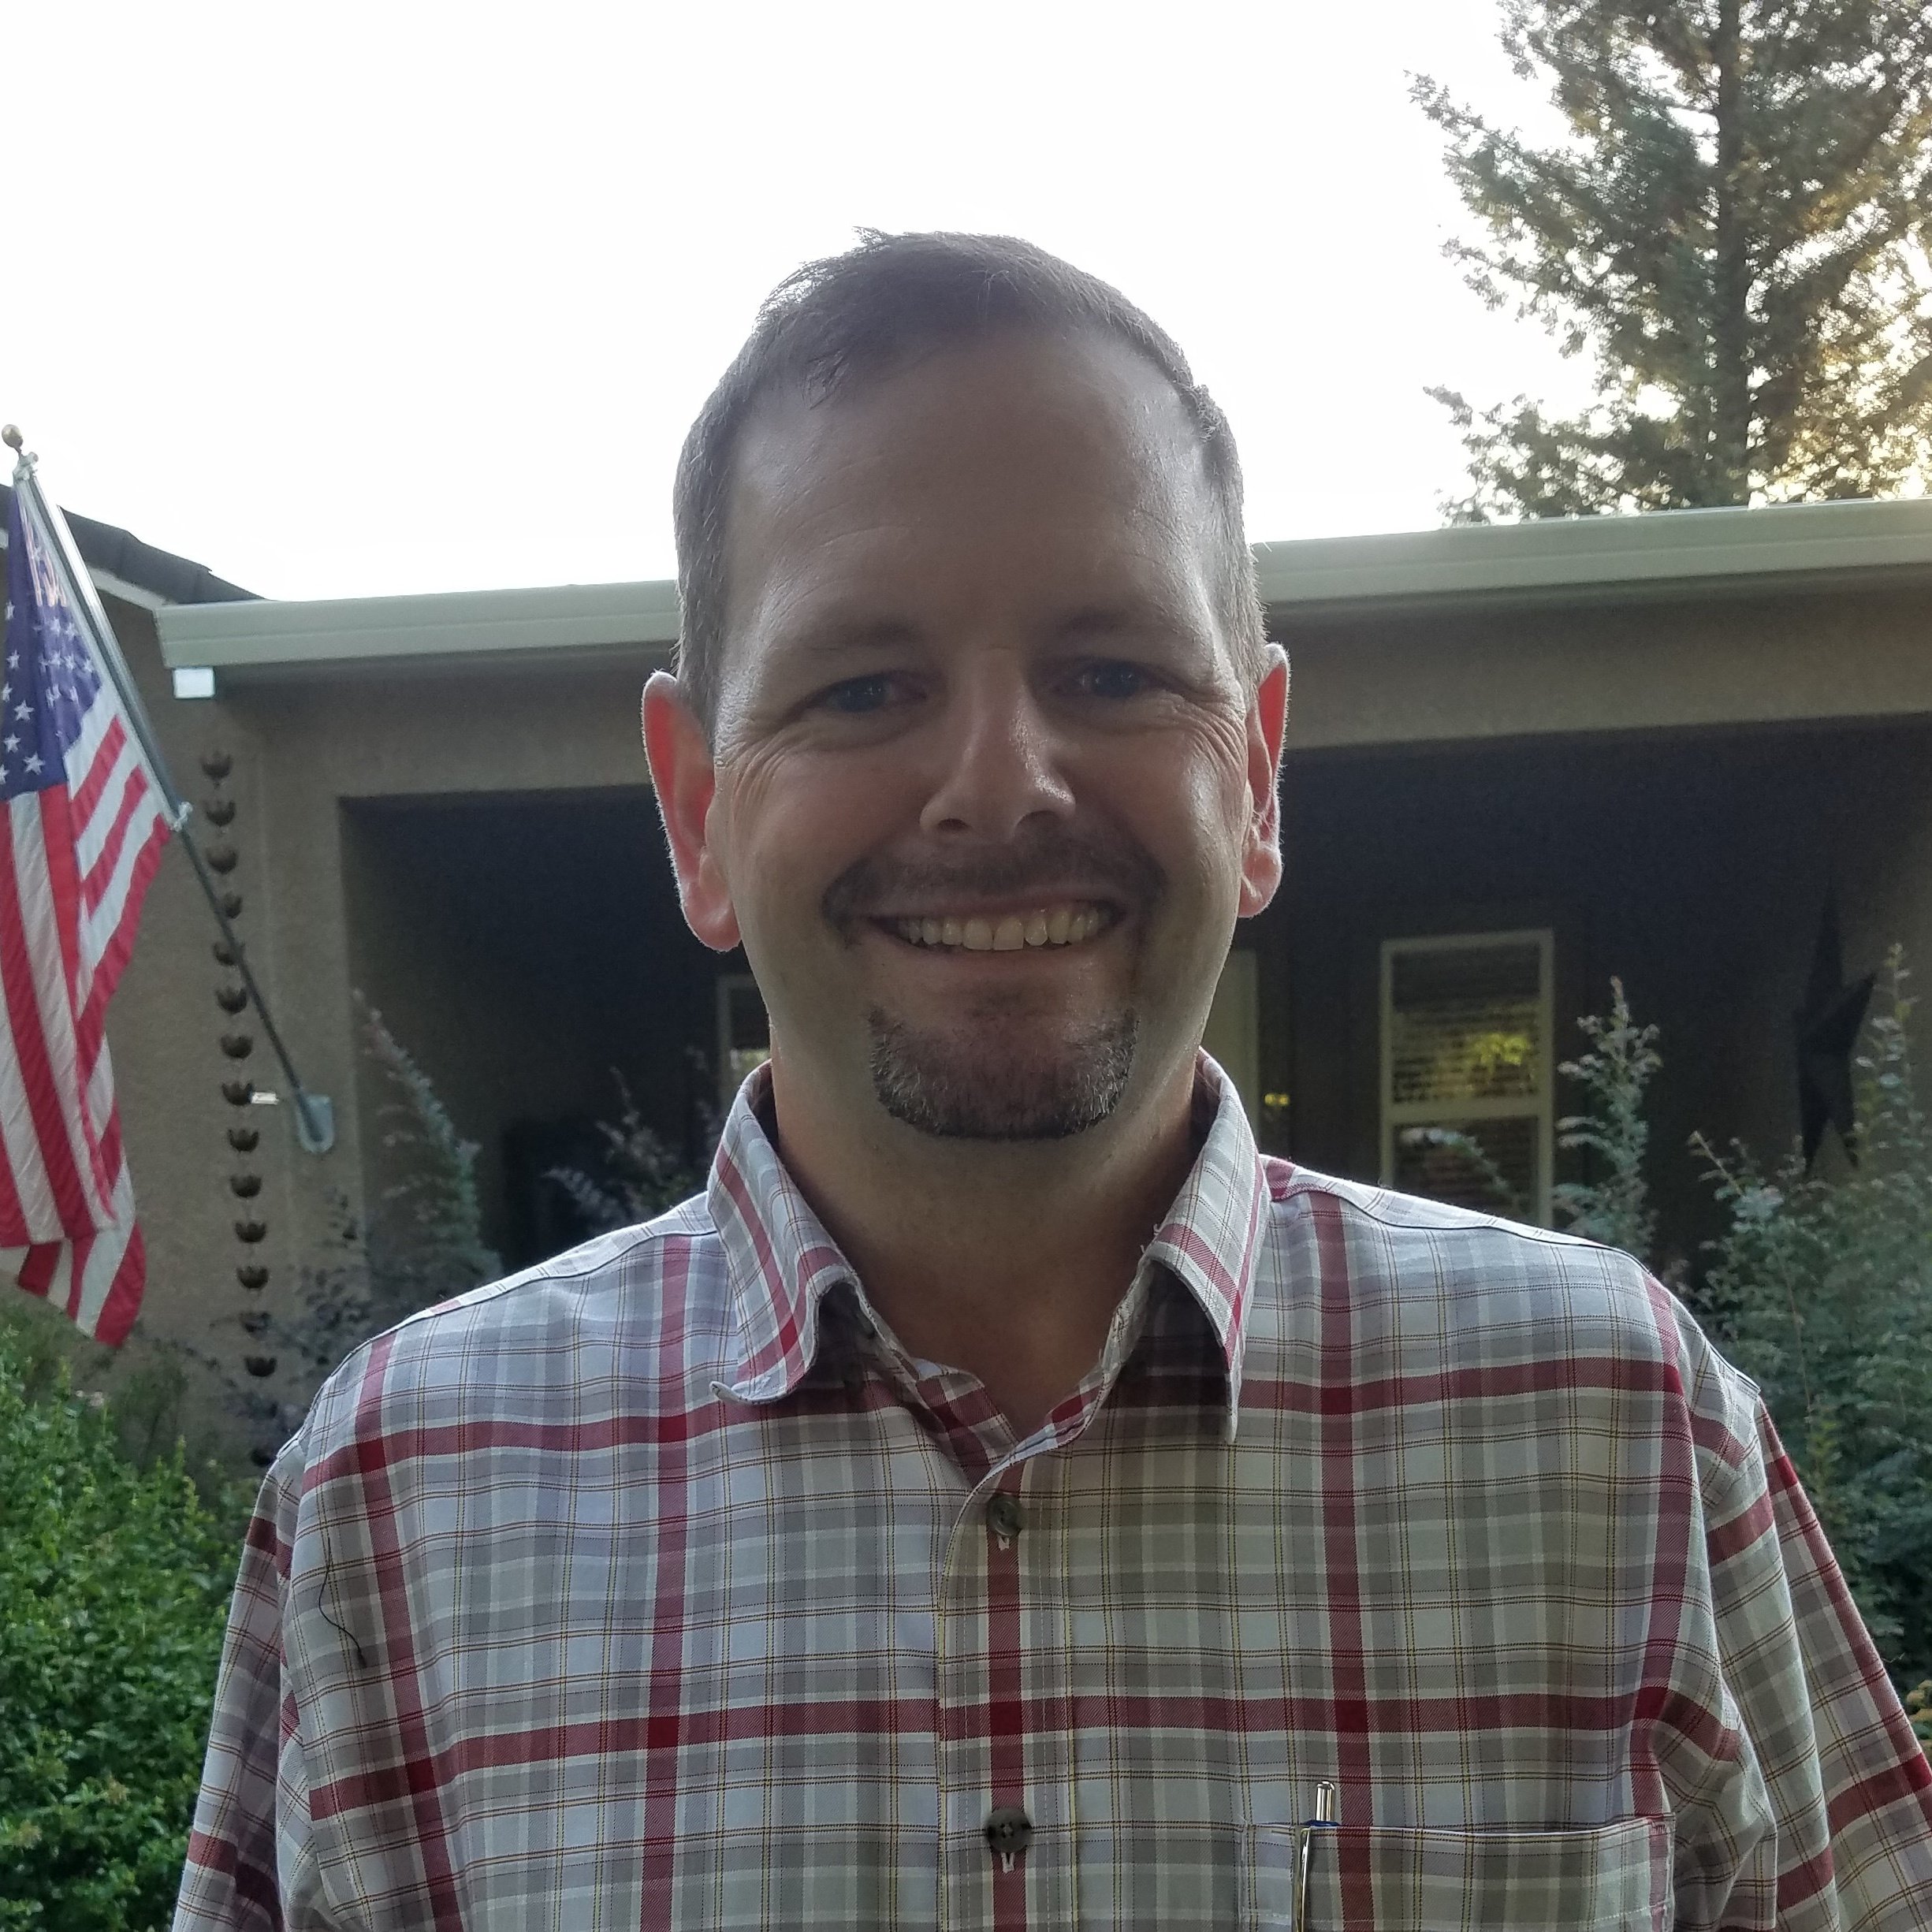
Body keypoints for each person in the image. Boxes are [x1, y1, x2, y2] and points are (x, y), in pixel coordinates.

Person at [173, 232, 1932, 1932]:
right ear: (697, 807)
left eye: (1106, 671)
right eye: (862, 685)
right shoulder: (398, 1499)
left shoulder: (1619, 1431)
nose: (997, 784)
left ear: (1255, 771)